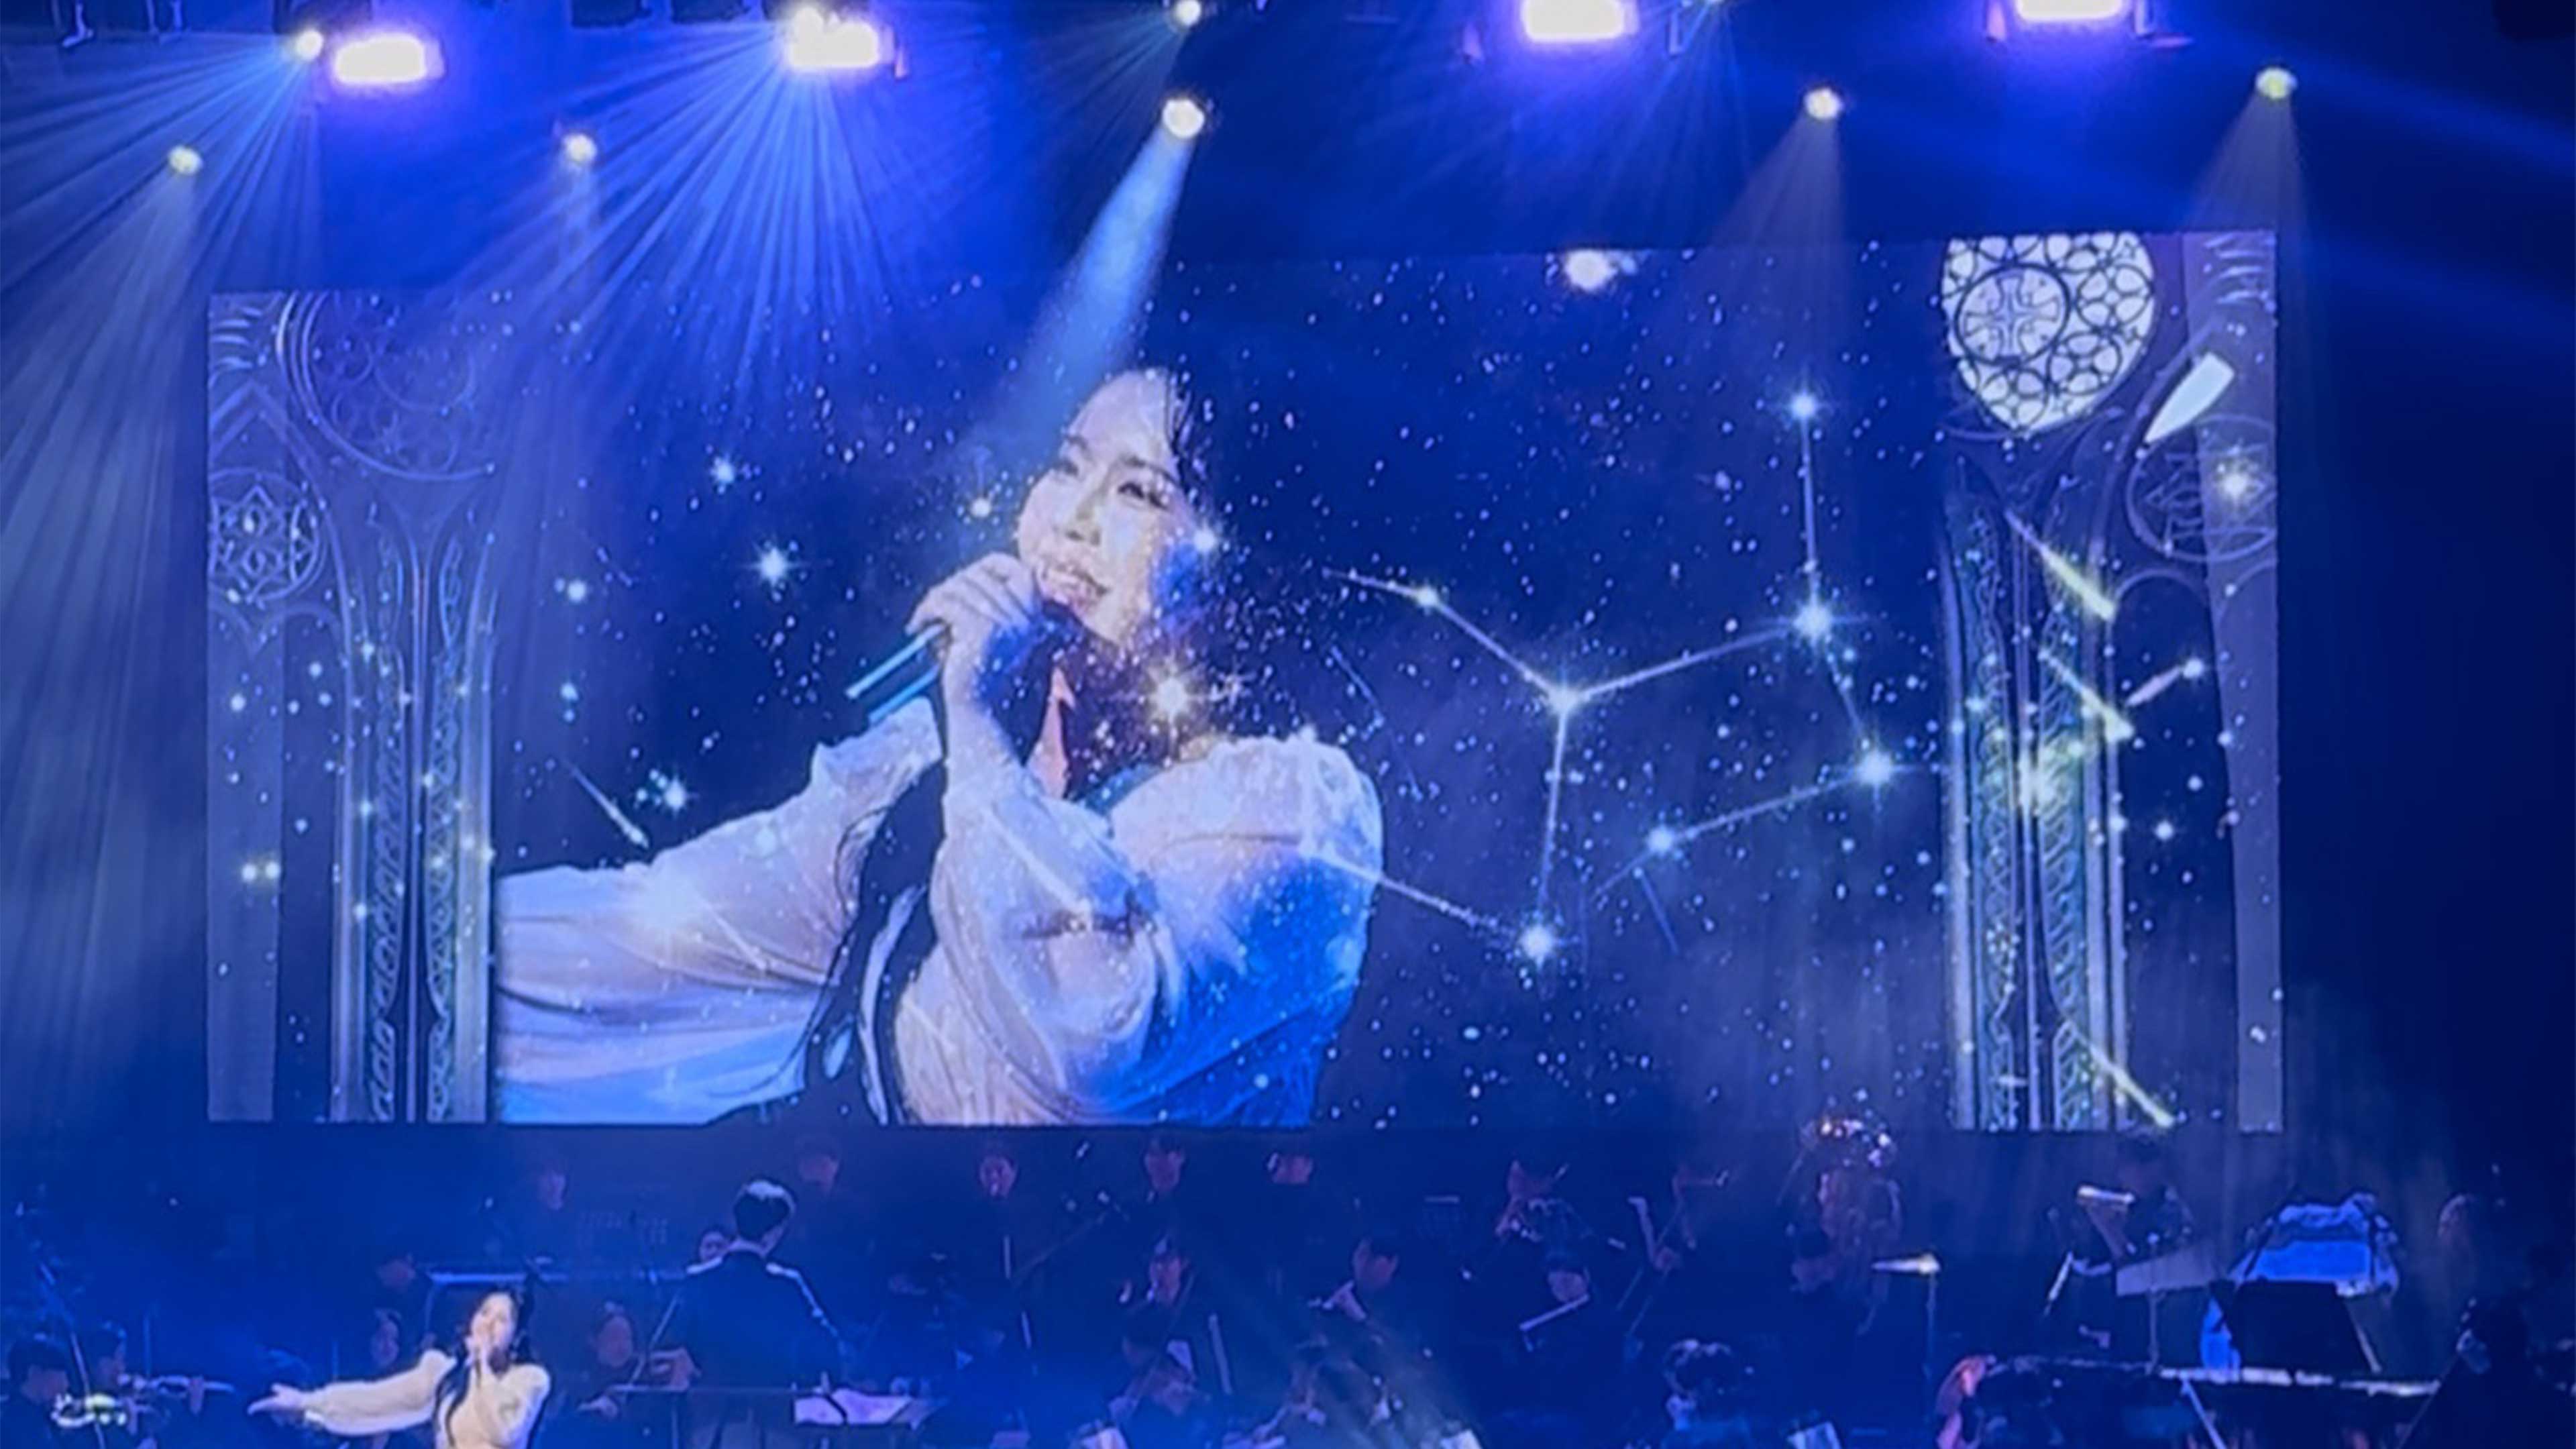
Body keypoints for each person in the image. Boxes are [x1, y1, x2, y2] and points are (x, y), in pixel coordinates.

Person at [496, 366, 1387, 1127]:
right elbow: (661, 932)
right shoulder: (920, 772)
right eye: (1067, 465)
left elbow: (1090, 1038)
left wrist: (979, 726)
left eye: (1140, 492)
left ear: (1235, 571)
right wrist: (440, 950)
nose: (1073, 518)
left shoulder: (1292, 816)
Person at [252, 1289, 551, 1449]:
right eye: (485, 1313)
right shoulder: (446, 1374)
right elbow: (379, 1398)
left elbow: (504, 1431)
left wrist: (482, 1365)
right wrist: (306, 1403)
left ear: (516, 1335)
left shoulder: (529, 1380)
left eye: (502, 1319)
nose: (489, 1324)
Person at [665, 1181, 840, 1390]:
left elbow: (668, 1346)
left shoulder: (697, 1281)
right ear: (774, 1233)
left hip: (710, 1405)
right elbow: (826, 1345)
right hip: (772, 1406)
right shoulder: (787, 1286)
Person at [5, 1336, 73, 1449]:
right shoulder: (19, 1427)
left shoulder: (42, 1420)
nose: (65, 1385)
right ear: (35, 1373)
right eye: (60, 1375)